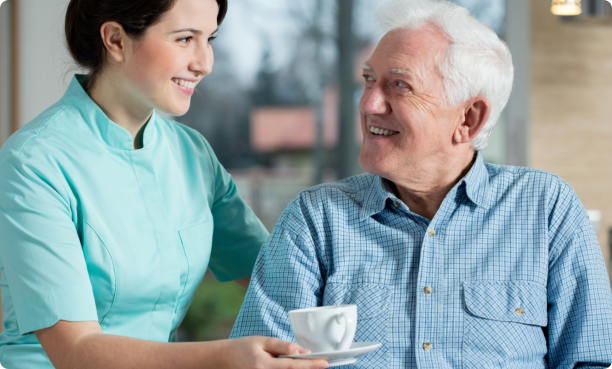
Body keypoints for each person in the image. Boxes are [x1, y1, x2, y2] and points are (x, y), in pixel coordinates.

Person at [230, 0, 612, 367]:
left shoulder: (546, 207)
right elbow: (262, 361)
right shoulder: (315, 218)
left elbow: (592, 360)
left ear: (469, 119)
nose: (367, 104)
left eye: (399, 85)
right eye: (368, 80)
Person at [0, 0, 329, 368]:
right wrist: (222, 358)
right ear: (116, 40)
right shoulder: (33, 162)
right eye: (186, 39)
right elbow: (75, 352)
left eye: (210, 40)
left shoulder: (192, 155)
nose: (204, 63)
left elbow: (280, 273)